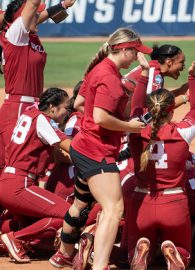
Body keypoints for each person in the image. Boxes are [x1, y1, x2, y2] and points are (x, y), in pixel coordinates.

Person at [50, 28, 151, 270]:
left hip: (83, 146)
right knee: (114, 208)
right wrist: (130, 127)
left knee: (82, 202)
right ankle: (100, 265)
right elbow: (101, 117)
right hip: (96, 152)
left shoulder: (99, 69)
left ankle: (63, 254)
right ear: (124, 49)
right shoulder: (110, 77)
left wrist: (99, 124)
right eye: (136, 52)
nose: (138, 57)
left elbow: (80, 103)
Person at [124, 49, 195, 270]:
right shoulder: (183, 131)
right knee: (185, 253)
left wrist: (143, 74)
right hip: (174, 203)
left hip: (142, 202)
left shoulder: (135, 129)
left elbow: (136, 107)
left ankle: (141, 249)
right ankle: (175, 252)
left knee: (132, 252)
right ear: (172, 110)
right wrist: (192, 77)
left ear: (151, 110)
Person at [0, 0, 77, 174]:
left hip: (31, 106)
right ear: (22, 18)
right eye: (34, 15)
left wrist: (62, 6)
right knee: (14, 163)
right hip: (18, 109)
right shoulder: (15, 35)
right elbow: (33, 5)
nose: (38, 17)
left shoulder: (28, 35)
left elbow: (38, 14)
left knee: (35, 158)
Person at [0, 88, 72, 263]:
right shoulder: (43, 119)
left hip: (8, 180)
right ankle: (17, 238)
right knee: (70, 215)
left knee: (34, 226)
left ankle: (12, 237)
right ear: (52, 107)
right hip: (20, 185)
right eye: (65, 108)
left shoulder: (30, 111)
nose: (67, 112)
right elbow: (69, 146)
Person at [123, 44, 194, 109]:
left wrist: (180, 90)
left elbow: (159, 99)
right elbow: (156, 108)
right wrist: (185, 98)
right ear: (169, 62)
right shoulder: (155, 74)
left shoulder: (153, 68)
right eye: (181, 62)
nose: (183, 67)